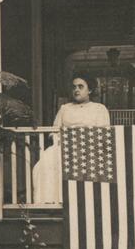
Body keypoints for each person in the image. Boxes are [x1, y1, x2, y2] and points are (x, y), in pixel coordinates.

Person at [32, 72, 110, 203]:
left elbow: (103, 132)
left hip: (90, 148)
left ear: (89, 89)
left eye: (81, 86)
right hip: (65, 146)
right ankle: (53, 201)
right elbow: (54, 131)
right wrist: (60, 140)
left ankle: (85, 201)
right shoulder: (64, 108)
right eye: (74, 87)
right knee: (45, 162)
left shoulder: (99, 109)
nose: (76, 90)